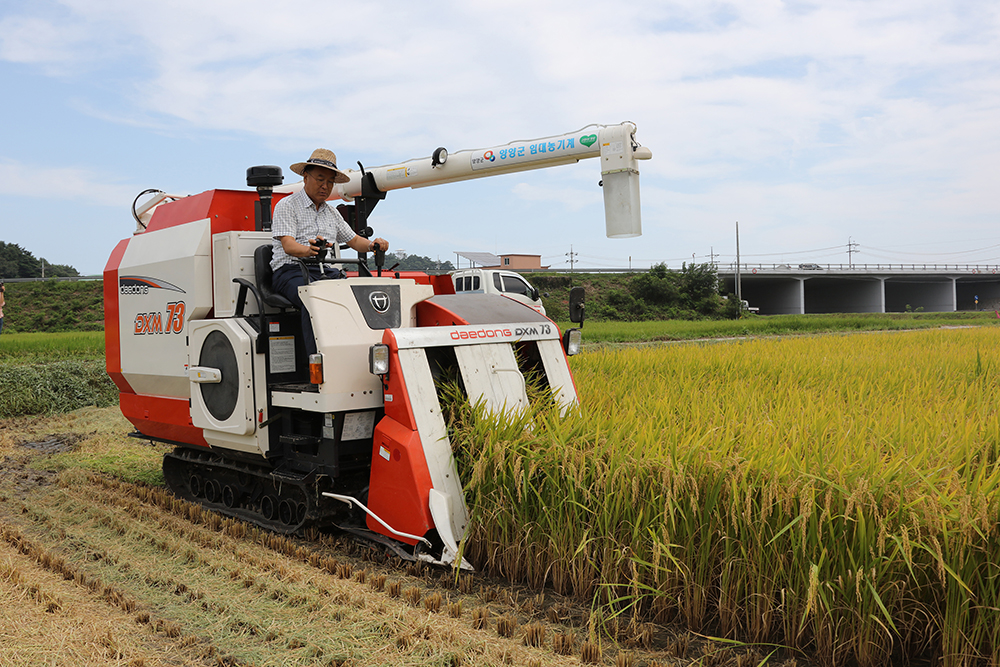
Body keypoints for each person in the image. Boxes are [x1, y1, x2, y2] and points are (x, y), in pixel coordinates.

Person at [270, 148, 388, 357]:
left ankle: (357, 356)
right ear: (305, 177)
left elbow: (353, 240)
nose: (325, 186)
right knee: (315, 299)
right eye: (320, 179)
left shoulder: (332, 212)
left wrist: (373, 245)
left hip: (323, 272)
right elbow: (288, 246)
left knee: (357, 295)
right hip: (290, 271)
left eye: (331, 182)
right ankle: (317, 364)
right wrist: (309, 250)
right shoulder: (286, 205)